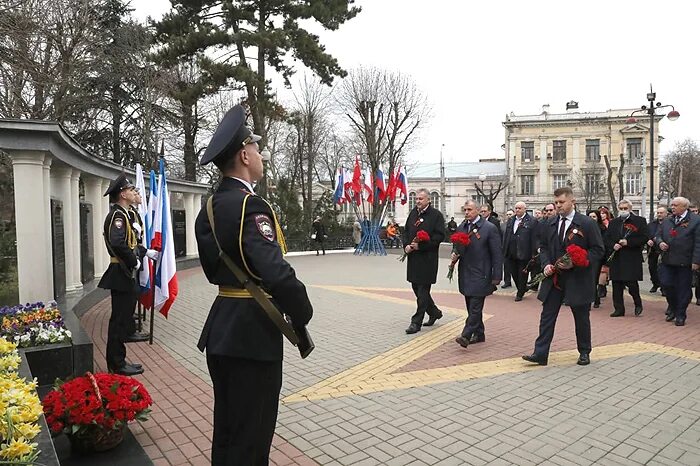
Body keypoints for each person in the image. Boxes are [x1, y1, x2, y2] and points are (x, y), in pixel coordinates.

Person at [195, 105, 314, 465]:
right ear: (245, 155)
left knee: (229, 430)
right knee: (253, 437)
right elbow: (275, 272)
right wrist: (302, 309)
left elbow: (213, 266)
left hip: (223, 326)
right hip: (252, 334)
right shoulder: (251, 205)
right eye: (257, 149)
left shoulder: (211, 206)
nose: (261, 156)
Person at [522, 186, 604, 366]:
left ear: (572, 202)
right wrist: (546, 265)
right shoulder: (549, 223)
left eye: (561, 202)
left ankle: (584, 351)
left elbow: (598, 250)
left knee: (581, 316)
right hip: (554, 279)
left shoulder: (586, 223)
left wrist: (578, 261)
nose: (558, 206)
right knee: (547, 316)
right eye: (556, 202)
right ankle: (540, 353)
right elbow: (542, 247)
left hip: (577, 278)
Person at [98, 174, 155, 376]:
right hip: (120, 272)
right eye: (131, 190)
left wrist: (142, 252)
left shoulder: (122, 214)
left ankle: (119, 360)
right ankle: (116, 363)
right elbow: (118, 242)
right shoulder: (118, 216)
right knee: (119, 321)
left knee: (122, 319)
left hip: (124, 272)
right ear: (122, 194)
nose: (134, 193)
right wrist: (133, 260)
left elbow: (129, 243)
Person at [453, 200, 502, 348]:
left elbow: (497, 253)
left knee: (475, 306)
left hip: (482, 273)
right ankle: (479, 333)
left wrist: (497, 275)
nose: (467, 212)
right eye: (465, 209)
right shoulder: (462, 227)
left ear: (478, 210)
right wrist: (455, 253)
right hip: (466, 272)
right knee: (470, 304)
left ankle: (466, 335)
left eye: (470, 209)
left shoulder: (489, 228)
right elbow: (457, 247)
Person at [402, 188, 446, 334]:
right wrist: (406, 246)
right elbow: (406, 231)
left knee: (423, 291)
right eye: (416, 198)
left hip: (427, 259)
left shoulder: (436, 216)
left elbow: (439, 237)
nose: (418, 201)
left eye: (421, 199)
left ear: (428, 200)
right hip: (414, 258)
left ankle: (416, 322)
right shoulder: (413, 213)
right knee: (416, 287)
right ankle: (434, 312)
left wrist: (421, 246)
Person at [654, 197, 700, 326]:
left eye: (675, 205)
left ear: (684, 207)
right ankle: (672, 307)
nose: (672, 207)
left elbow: (698, 243)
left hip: (685, 261)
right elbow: (657, 235)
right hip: (667, 260)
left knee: (683, 289)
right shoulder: (668, 220)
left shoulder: (695, 221)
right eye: (672, 205)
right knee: (666, 284)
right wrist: (660, 242)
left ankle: (681, 314)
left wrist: (696, 261)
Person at [605, 200, 649, 317]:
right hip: (617, 257)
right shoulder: (614, 222)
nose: (623, 211)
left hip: (631, 257)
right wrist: (612, 244)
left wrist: (628, 242)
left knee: (631, 282)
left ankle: (637, 303)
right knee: (616, 283)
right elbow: (607, 238)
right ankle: (619, 308)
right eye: (621, 208)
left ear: (630, 209)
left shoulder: (639, 221)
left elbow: (644, 237)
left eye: (625, 208)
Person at [125, 192, 152, 342]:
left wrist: (145, 252)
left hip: (135, 257)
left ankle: (130, 325)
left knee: (133, 294)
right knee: (127, 300)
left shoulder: (132, 212)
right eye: (135, 192)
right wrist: (134, 259)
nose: (138, 195)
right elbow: (124, 243)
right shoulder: (122, 215)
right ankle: (128, 329)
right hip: (127, 264)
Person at [502, 202, 537, 302]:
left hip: (524, 252)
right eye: (516, 208)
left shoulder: (531, 221)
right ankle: (522, 288)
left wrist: (533, 253)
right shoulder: (511, 220)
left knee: (522, 274)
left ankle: (520, 293)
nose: (517, 210)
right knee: (514, 273)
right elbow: (507, 235)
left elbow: (534, 237)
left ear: (525, 209)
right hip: (511, 252)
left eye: (520, 208)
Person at [587, 210, 607, 308]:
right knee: (587, 278)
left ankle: (594, 299)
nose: (592, 219)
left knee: (594, 278)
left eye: (594, 217)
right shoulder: (584, 228)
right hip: (586, 255)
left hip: (597, 257)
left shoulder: (602, 228)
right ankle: (593, 298)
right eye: (590, 216)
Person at [647, 206, 668, 294]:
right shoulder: (651, 224)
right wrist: (648, 240)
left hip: (665, 250)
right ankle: (655, 284)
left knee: (663, 269)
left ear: (666, 213)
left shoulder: (669, 223)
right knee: (652, 268)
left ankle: (664, 288)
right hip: (653, 250)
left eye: (661, 213)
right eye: (658, 213)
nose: (659, 214)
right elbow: (646, 234)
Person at [501, 209, 514, 289]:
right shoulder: (502, 225)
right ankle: (507, 281)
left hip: (514, 249)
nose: (509, 216)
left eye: (510, 214)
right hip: (505, 249)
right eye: (508, 214)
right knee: (506, 266)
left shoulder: (517, 224)